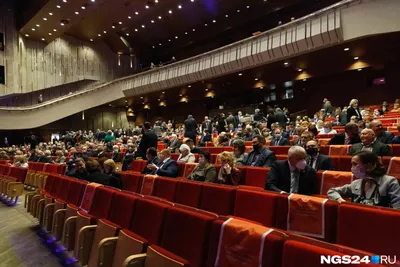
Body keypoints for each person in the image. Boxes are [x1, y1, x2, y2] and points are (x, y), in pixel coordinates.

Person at [328, 151, 400, 209]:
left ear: (369, 166)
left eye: (355, 164)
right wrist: (341, 201)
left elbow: (397, 208)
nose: (352, 168)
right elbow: (332, 191)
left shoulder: (389, 182)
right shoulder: (356, 183)